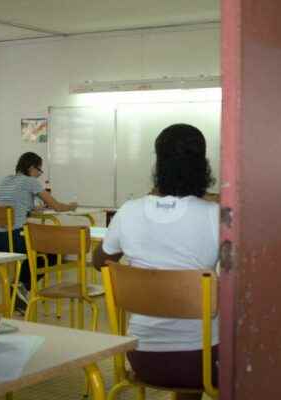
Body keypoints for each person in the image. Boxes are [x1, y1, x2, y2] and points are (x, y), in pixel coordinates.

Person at [93, 123, 219, 399]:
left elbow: (100, 262)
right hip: (204, 361)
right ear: (203, 165)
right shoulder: (215, 216)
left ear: (158, 163)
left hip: (143, 357)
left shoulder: (129, 212)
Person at [0, 152, 76, 312]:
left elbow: (15, 205)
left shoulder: (6, 180)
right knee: (54, 254)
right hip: (17, 239)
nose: (39, 174)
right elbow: (57, 206)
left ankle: (19, 287)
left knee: (39, 250)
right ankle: (20, 286)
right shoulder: (30, 181)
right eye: (39, 170)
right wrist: (71, 206)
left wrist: (32, 208)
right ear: (31, 168)